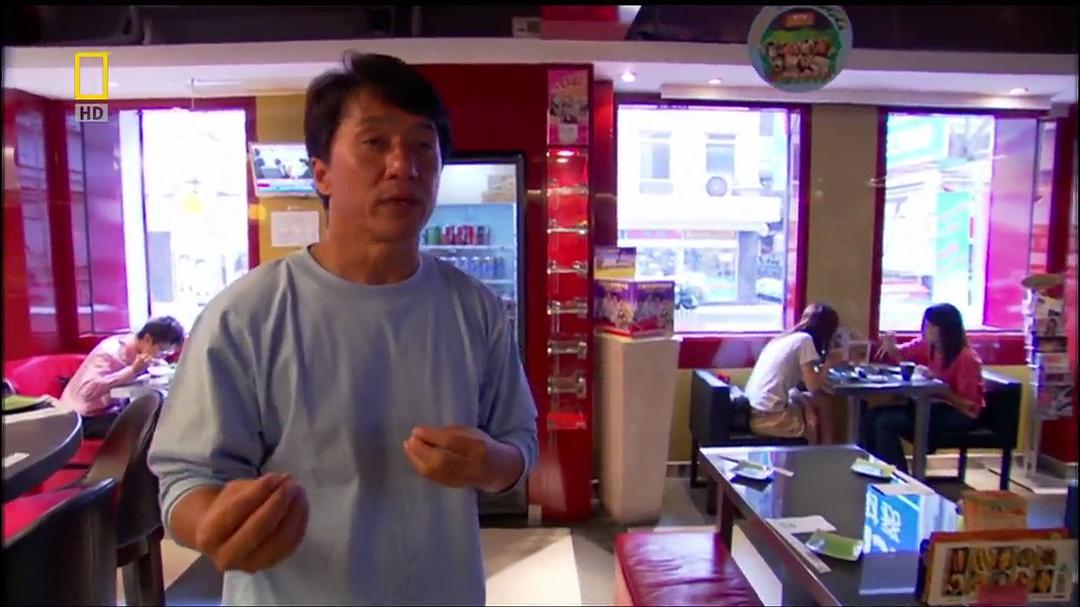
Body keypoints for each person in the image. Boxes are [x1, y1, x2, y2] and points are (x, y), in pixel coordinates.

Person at [147, 53, 538, 605]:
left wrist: (494, 464)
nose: (404, 165)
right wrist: (217, 525)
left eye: (423, 146)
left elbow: (520, 441)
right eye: (375, 142)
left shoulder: (475, 309)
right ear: (322, 172)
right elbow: (185, 480)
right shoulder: (246, 314)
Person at [861, 303, 984, 473]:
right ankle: (873, 470)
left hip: (959, 414)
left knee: (884, 422)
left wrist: (940, 387)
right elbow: (902, 354)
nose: (924, 330)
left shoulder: (966, 358)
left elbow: (969, 404)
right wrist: (891, 346)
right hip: (934, 406)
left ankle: (898, 476)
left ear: (943, 329)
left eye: (929, 326)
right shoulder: (930, 345)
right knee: (870, 417)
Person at [56, 316, 185, 438]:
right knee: (147, 427)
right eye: (162, 351)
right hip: (80, 418)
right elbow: (86, 391)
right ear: (147, 339)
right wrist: (133, 371)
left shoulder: (140, 351)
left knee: (157, 417)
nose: (162, 357)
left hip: (109, 410)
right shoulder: (109, 353)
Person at [743, 302, 845, 444]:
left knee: (818, 402)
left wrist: (808, 406)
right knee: (822, 404)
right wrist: (829, 364)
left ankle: (826, 448)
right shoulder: (805, 341)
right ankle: (824, 449)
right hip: (767, 417)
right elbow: (814, 388)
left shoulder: (783, 338)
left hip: (752, 408)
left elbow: (799, 382)